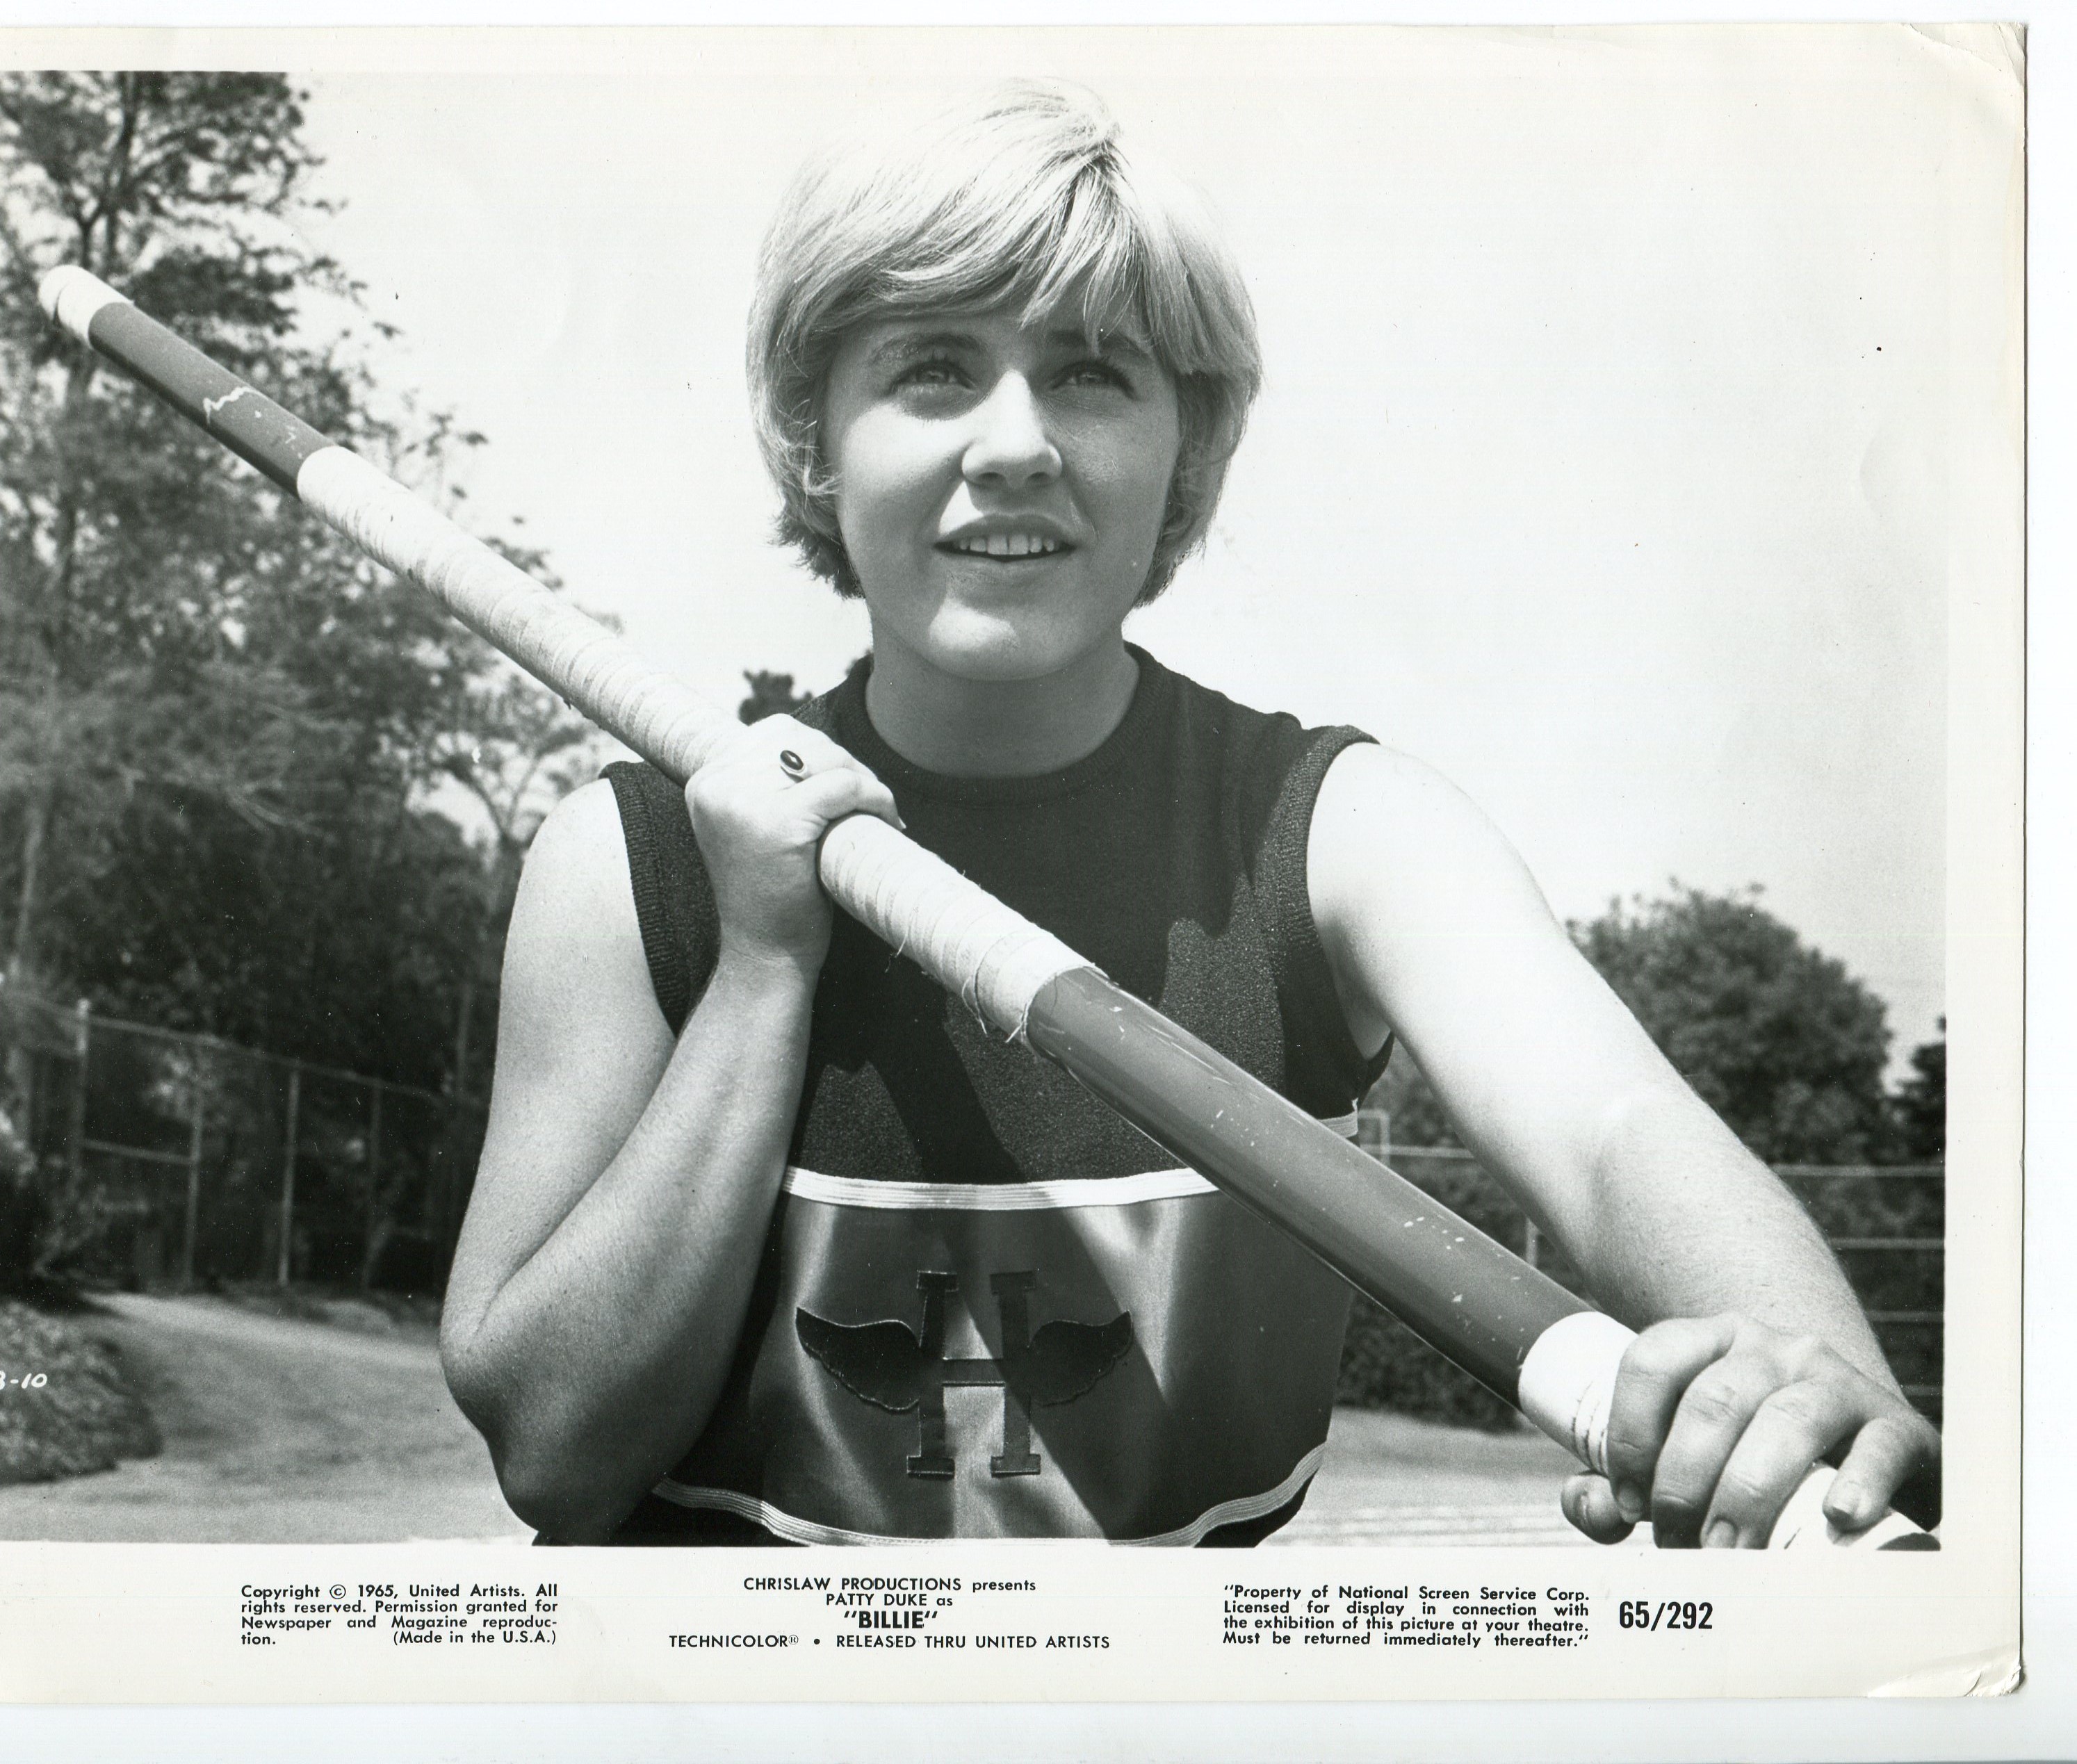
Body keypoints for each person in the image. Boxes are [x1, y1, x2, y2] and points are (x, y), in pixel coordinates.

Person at [439, 80, 1938, 1548]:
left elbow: (1614, 1132)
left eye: (1093, 373)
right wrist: (763, 969)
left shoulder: (1336, 833)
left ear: (1184, 455)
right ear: (818, 441)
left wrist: (1813, 1383)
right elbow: (558, 1460)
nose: (1015, 443)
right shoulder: (631, 862)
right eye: (933, 369)